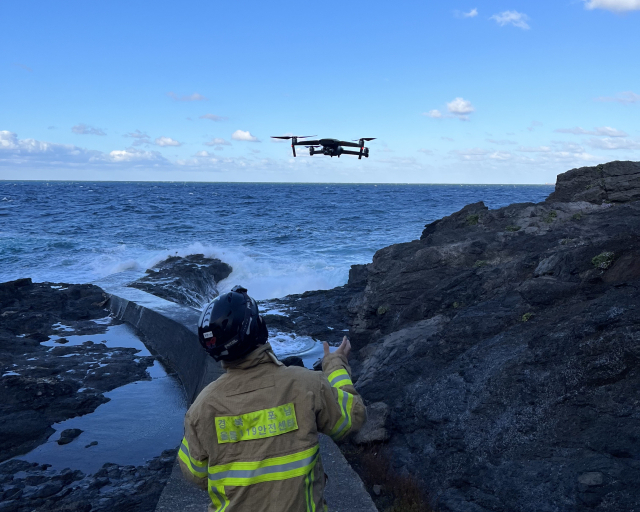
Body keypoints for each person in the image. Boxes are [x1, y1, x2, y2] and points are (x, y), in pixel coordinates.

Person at [178, 285, 367, 512]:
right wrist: (335, 366)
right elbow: (351, 418)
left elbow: (196, 474)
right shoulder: (306, 384)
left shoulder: (202, 407)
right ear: (259, 329)